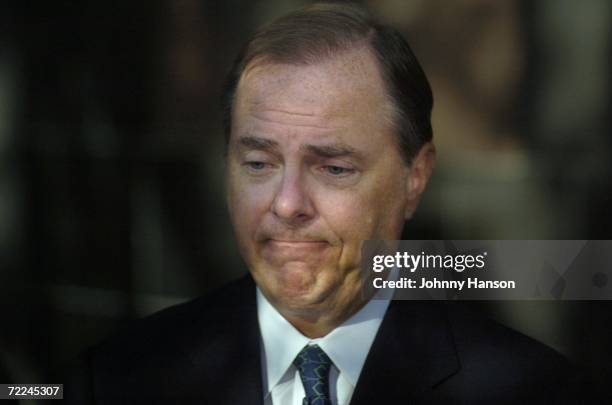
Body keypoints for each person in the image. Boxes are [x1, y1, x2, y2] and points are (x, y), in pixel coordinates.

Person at [65, 3, 578, 404]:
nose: (287, 205)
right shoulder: (116, 380)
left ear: (414, 179)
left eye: (334, 168)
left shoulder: (536, 391)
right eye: (259, 164)